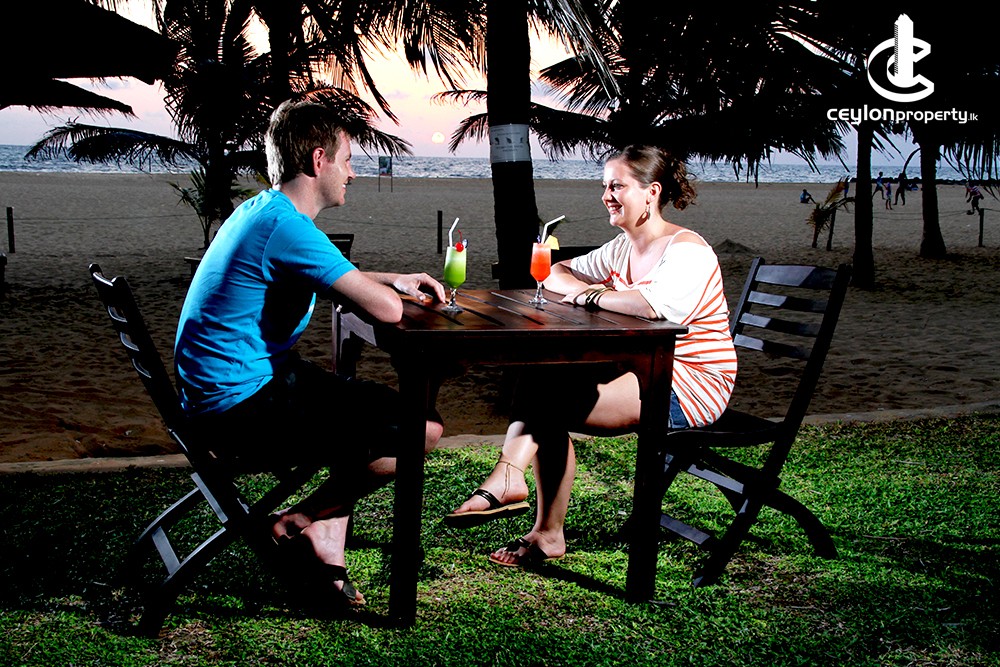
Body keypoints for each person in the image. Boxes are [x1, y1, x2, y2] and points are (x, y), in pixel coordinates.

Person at [173, 96, 446, 608]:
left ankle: (323, 534)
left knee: (362, 410)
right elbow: (387, 311)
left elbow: (326, 274)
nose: (353, 174)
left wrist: (394, 277)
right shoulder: (289, 228)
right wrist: (390, 291)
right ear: (319, 160)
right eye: (348, 160)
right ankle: (303, 519)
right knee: (420, 428)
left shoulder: (263, 211)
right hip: (239, 411)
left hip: (225, 392)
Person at [443, 145, 738, 567]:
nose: (606, 196)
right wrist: (589, 290)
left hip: (689, 383)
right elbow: (557, 271)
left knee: (548, 402)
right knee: (539, 376)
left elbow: (651, 307)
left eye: (617, 186)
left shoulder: (687, 251)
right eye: (604, 186)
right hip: (639, 370)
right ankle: (520, 495)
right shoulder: (622, 247)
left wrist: (592, 296)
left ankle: (524, 500)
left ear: (652, 192)